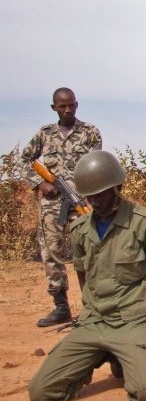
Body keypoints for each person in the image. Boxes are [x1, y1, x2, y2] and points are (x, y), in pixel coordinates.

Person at [29, 151, 146, 401]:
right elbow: (84, 279)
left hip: (133, 320)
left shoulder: (145, 222)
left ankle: (132, 354)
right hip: (94, 321)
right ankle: (102, 353)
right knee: (41, 392)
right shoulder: (80, 229)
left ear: (117, 187)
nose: (94, 201)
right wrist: (90, 314)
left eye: (100, 194)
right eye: (89, 195)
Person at [21, 87, 102, 327]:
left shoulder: (90, 132)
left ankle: (92, 306)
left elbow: (95, 165)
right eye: (62, 106)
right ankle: (61, 306)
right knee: (51, 251)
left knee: (87, 253)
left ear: (77, 105)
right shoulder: (45, 134)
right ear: (54, 107)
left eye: (71, 105)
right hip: (52, 205)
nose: (67, 109)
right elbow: (25, 158)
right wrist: (41, 183)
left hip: (82, 202)